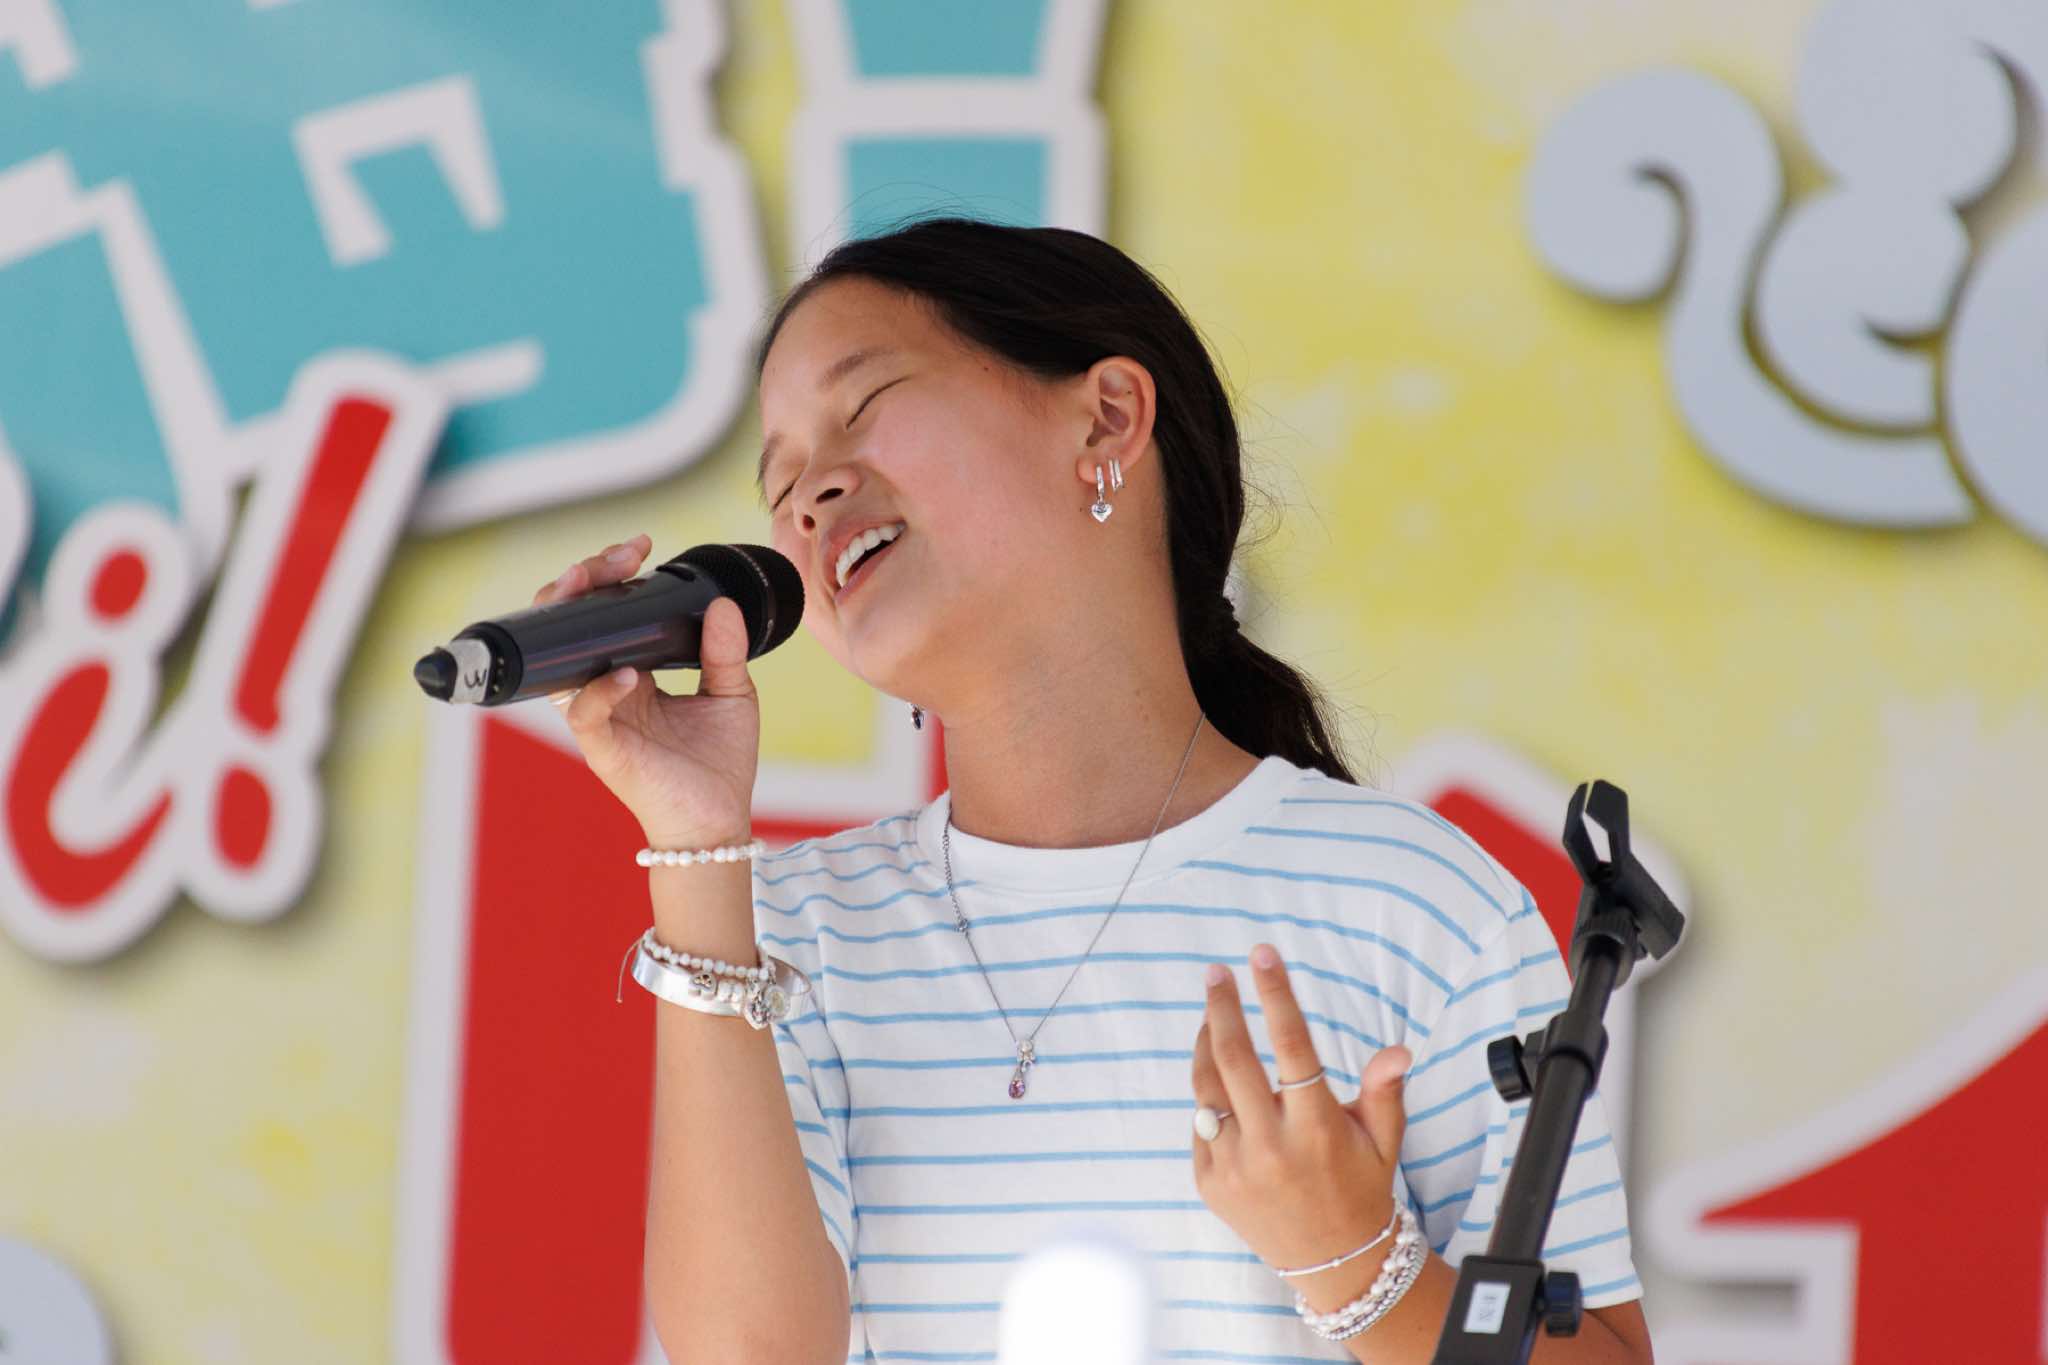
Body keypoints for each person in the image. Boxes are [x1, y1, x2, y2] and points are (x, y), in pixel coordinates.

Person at [538, 217, 1654, 1364]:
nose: (808, 499)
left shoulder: (1411, 902)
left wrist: (1361, 1267)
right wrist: (695, 844)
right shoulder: (791, 932)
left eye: (863, 406)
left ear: (1107, 419)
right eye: (778, 485)